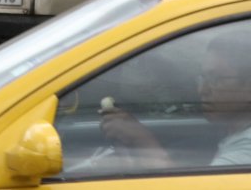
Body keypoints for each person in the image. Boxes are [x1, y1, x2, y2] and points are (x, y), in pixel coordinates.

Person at [98, 30, 251, 168]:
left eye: (217, 80)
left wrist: (143, 141)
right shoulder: (231, 132)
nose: (202, 90)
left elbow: (191, 186)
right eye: (203, 78)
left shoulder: (246, 149)